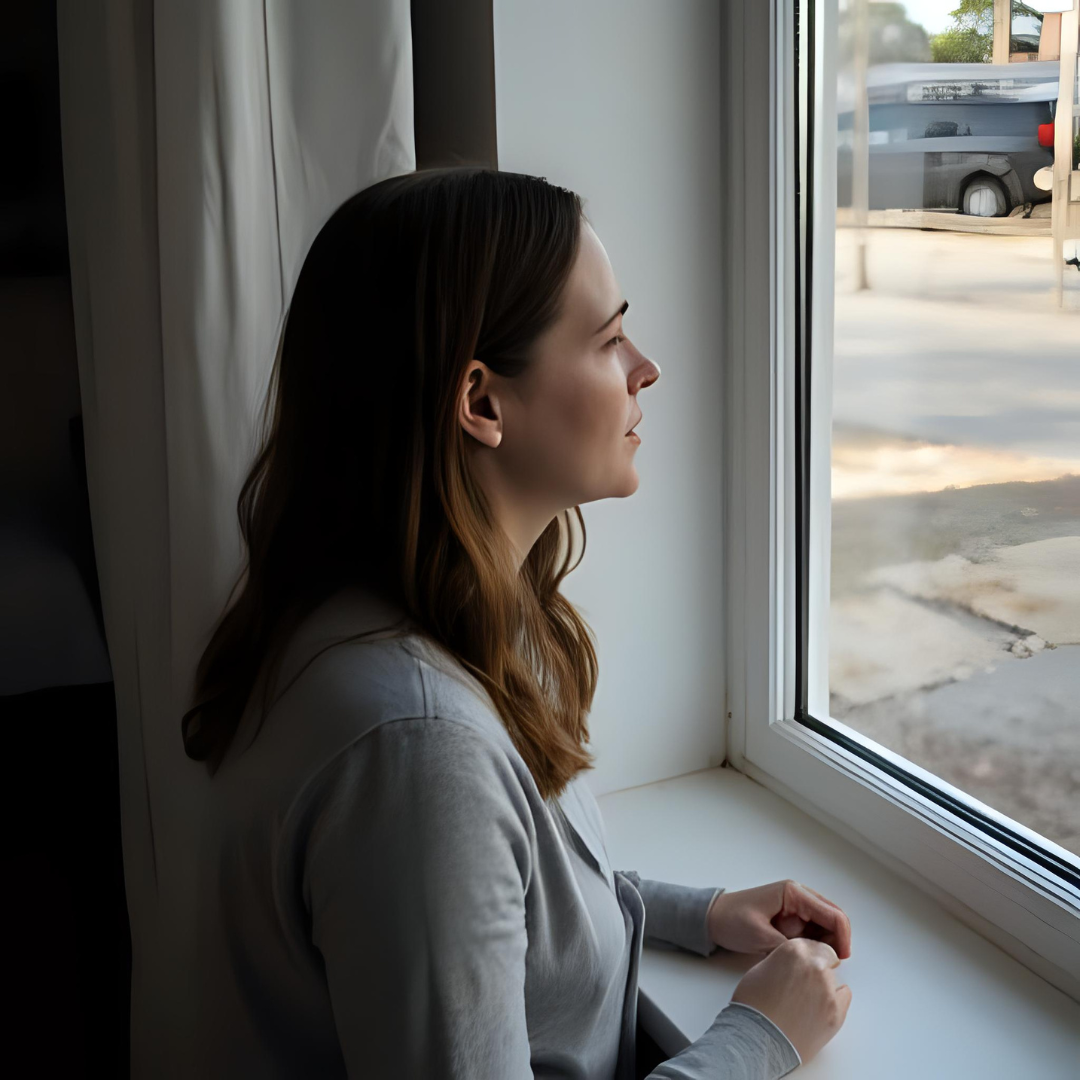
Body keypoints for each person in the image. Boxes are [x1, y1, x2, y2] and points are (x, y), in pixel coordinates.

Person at [181, 166, 853, 1078]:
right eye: (610, 338)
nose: (645, 367)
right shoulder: (415, 750)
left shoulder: (399, 612)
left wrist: (688, 911)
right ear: (482, 403)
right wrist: (758, 1040)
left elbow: (492, 910)